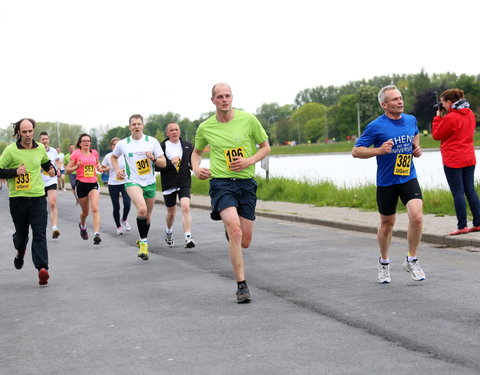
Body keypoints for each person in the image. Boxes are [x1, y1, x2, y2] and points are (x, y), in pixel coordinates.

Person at [191, 83, 271, 303]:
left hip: (246, 184)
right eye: (220, 96)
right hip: (221, 183)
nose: (224, 99)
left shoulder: (248, 119)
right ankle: (241, 286)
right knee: (235, 229)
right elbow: (196, 153)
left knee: (245, 241)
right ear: (213, 100)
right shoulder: (205, 127)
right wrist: (196, 168)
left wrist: (249, 160)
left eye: (227, 96)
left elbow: (265, 147)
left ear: (232, 98)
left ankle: (231, 230)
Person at [352, 85, 426, 284]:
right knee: (387, 225)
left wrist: (415, 147)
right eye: (394, 99)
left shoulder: (410, 120)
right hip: (387, 182)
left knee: (417, 217)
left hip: (408, 176)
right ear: (384, 104)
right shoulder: (376, 126)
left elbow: (415, 133)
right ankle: (384, 262)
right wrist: (379, 151)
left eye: (400, 98)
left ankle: (412, 259)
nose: (400, 101)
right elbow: (356, 151)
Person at [0, 118, 57, 285]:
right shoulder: (10, 151)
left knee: (39, 233)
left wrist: (51, 169)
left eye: (30, 131)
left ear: (34, 130)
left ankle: (42, 269)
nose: (27, 135)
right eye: (24, 132)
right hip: (18, 199)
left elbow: (46, 163)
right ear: (18, 132)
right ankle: (20, 250)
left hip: (38, 197)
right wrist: (14, 172)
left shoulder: (39, 148)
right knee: (22, 235)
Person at [111, 114, 166, 260]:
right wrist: (117, 170)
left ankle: (143, 240)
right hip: (132, 181)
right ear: (129, 127)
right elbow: (113, 157)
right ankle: (143, 244)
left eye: (139, 124)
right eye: (133, 124)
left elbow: (163, 163)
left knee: (147, 216)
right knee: (141, 209)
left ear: (143, 126)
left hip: (149, 182)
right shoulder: (123, 143)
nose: (136, 126)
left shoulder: (152, 141)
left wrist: (153, 158)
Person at [432, 88, 480, 235]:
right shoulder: (470, 113)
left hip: (453, 159)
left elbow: (436, 135)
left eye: (443, 103)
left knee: (458, 192)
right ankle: (478, 223)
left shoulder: (450, 117)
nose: (442, 106)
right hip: (469, 157)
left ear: (449, 102)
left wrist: (437, 118)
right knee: (470, 190)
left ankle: (462, 226)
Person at [156, 122, 195, 248]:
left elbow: (193, 162)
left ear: (180, 131)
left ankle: (188, 237)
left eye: (176, 130)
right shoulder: (161, 147)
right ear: (167, 133)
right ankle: (169, 232)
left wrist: (197, 169)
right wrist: (169, 163)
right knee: (171, 213)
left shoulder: (187, 146)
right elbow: (156, 167)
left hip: (184, 181)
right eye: (171, 130)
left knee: (185, 207)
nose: (174, 132)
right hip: (169, 183)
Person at [65, 133, 102, 245]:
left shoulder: (94, 153)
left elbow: (97, 164)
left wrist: (100, 168)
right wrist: (77, 166)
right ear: (80, 143)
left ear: (90, 143)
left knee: (95, 208)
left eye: (88, 141)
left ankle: (96, 234)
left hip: (93, 184)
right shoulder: (76, 154)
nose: (86, 143)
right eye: (84, 141)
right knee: (85, 212)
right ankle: (82, 225)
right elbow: (67, 170)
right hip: (81, 184)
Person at [101, 137, 132, 235]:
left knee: (127, 204)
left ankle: (124, 219)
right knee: (116, 207)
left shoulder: (125, 155)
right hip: (113, 184)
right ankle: (118, 226)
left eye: (118, 144)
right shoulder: (108, 156)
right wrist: (107, 168)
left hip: (125, 183)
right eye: (114, 144)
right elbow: (101, 169)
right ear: (111, 146)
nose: (116, 146)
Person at [39, 132, 61, 239]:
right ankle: (41, 228)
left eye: (46, 139)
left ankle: (54, 228)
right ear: (40, 140)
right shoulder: (36, 151)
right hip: (39, 182)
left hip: (51, 180)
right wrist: (44, 168)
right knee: (41, 207)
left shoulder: (53, 151)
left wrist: (58, 169)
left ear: (48, 140)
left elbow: (57, 160)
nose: (44, 141)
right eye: (42, 139)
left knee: (52, 203)